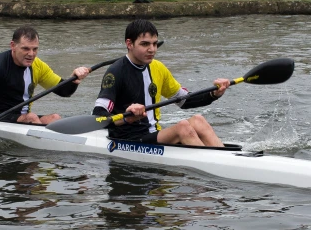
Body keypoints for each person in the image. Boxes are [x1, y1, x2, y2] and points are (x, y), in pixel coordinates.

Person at [93, 19, 230, 147]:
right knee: (183, 127)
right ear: (129, 44)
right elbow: (99, 115)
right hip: (129, 139)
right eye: (145, 44)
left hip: (153, 134)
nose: (152, 49)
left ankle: (226, 160)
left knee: (199, 121)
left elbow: (185, 101)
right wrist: (126, 118)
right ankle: (215, 165)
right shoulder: (115, 72)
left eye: (154, 43)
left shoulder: (158, 67)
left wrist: (213, 94)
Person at [0, 25, 90, 131]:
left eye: (35, 49)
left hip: (22, 117)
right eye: (26, 49)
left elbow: (64, 91)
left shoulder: (38, 66)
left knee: (55, 118)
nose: (31, 54)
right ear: (13, 46)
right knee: (31, 118)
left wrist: (75, 79)